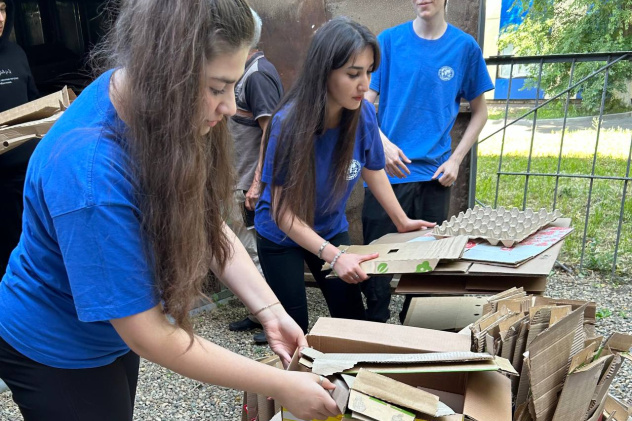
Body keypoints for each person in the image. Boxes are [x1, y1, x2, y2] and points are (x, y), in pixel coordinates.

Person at [0, 1, 340, 420]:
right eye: (217, 88)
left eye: (233, 85)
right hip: (55, 344)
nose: (231, 107)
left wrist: (270, 311)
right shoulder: (89, 176)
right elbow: (150, 335)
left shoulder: (146, 101)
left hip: (111, 330)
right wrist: (279, 384)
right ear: (162, 72)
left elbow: (202, 218)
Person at [254, 16, 435, 337]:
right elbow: (282, 214)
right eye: (353, 74)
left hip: (329, 227)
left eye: (368, 72)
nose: (364, 84)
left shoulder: (362, 112)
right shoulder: (288, 123)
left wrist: (402, 220)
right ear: (324, 71)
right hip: (282, 234)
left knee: (351, 318)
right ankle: (294, 384)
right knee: (294, 326)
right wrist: (334, 256)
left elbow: (372, 167)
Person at [361, 0, 494, 323]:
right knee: (377, 259)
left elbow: (481, 112)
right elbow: (364, 102)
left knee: (427, 263)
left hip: (435, 176)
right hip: (388, 173)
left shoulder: (465, 48)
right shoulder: (389, 41)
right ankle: (374, 327)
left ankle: (413, 330)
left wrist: (457, 159)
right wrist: (383, 144)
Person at [226, 9, 284, 339]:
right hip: (236, 177)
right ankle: (256, 312)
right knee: (242, 249)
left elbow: (271, 131)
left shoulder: (258, 74)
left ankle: (269, 317)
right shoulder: (242, 71)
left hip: (248, 179)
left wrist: (257, 182)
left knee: (254, 251)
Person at [0, 0, 40, 277]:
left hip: (25, 177)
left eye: (2, 8)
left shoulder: (16, 53)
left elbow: (34, 103)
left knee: (30, 249)